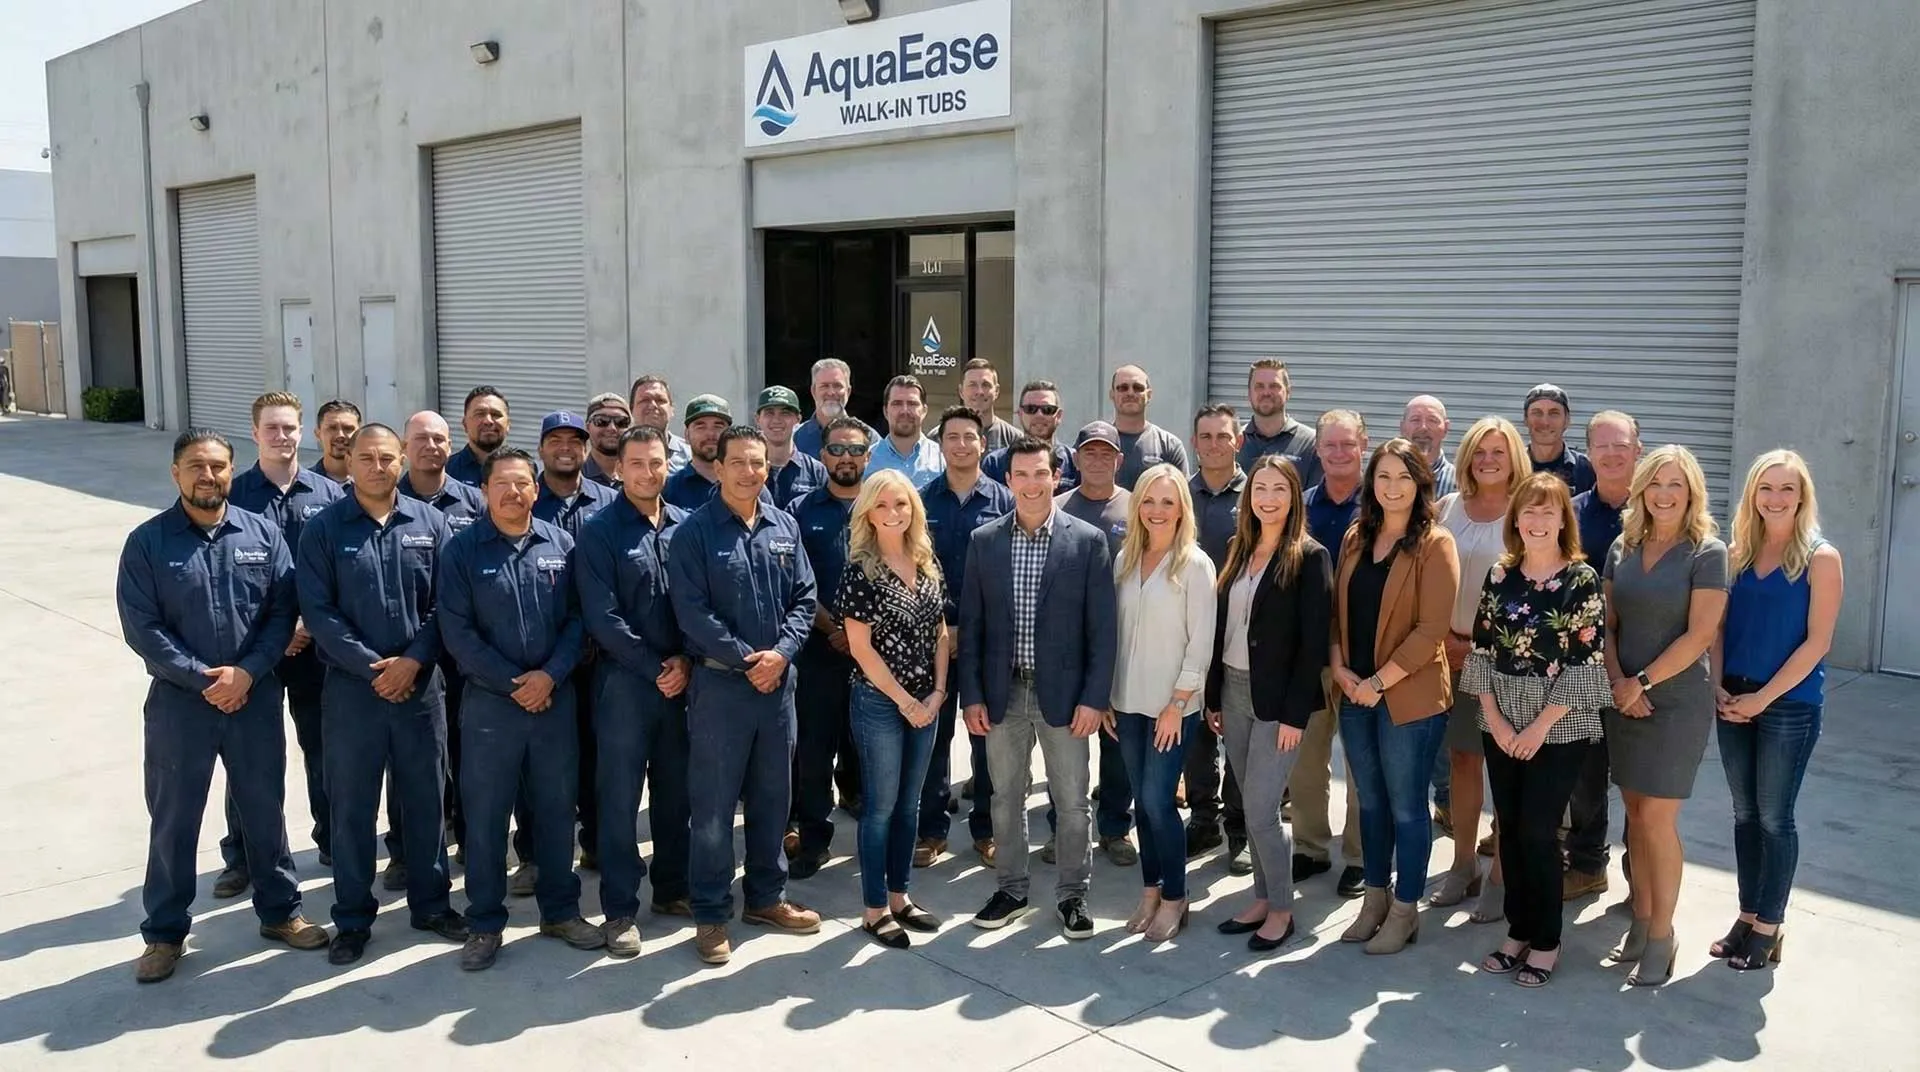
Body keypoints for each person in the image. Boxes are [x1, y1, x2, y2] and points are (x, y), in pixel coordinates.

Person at [117, 429, 330, 982]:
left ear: (232, 471)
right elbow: (142, 627)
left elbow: (281, 613)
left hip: (254, 696)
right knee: (174, 818)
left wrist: (248, 672)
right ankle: (164, 934)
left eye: (217, 466)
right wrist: (203, 678)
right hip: (179, 705)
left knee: (264, 809)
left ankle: (281, 912)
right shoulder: (147, 542)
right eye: (196, 466)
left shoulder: (262, 534)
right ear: (176, 473)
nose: (207, 476)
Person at [297, 424, 469, 965]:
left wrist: (414, 661)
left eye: (387, 458)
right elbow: (319, 612)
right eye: (366, 458)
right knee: (352, 808)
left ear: (402, 462)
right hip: (354, 692)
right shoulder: (323, 530)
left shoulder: (432, 524)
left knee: (425, 801)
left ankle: (432, 904)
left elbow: (448, 604)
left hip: (421, 688)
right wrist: (372, 667)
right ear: (348, 463)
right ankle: (352, 918)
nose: (377, 467)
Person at [438, 447, 603, 971]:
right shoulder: (461, 551)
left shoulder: (562, 544)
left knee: (556, 810)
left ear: (536, 489)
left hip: (553, 701)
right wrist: (515, 683)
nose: (513, 492)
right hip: (492, 706)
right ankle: (485, 922)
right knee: (486, 818)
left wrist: (549, 675)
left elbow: (578, 620)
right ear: (483, 490)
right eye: (501, 484)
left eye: (522, 483)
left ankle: (561, 911)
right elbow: (457, 632)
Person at [668, 426, 822, 965]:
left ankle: (765, 897)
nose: (750, 472)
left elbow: (805, 598)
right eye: (738, 462)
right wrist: (747, 660)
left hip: (777, 687)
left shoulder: (784, 526)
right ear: (718, 466)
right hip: (720, 688)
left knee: (773, 798)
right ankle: (711, 913)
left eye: (758, 463)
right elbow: (691, 612)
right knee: (712, 808)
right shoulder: (693, 533)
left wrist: (781, 654)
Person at [961, 437, 1118, 937]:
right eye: (1022, 475)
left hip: (1066, 699)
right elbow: (972, 626)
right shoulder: (985, 541)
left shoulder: (1087, 541)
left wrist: (1094, 698)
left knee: (1071, 800)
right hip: (1001, 694)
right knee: (1005, 797)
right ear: (1008, 481)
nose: (1032, 484)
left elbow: (1103, 630)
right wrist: (972, 696)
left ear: (1057, 477)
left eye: (1041, 474)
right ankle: (1011, 889)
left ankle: (1073, 895)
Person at [1461, 473, 1611, 988]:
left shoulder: (1581, 580)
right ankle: (1518, 929)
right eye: (1530, 510)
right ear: (1516, 519)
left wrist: (1538, 728)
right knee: (1509, 827)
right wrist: (1496, 719)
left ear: (1564, 519)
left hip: (1559, 724)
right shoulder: (1500, 574)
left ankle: (1546, 940)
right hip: (1500, 720)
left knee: (1538, 832)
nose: (1538, 521)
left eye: (1549, 511)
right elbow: (1482, 648)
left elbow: (1586, 661)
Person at [1600, 444, 1728, 986]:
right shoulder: (1622, 546)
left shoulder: (1708, 552)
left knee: (1657, 818)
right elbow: (1607, 626)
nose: (1665, 493)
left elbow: (1700, 635)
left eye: (1676, 484)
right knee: (1634, 813)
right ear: (1642, 490)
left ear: (1692, 491)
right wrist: (1618, 682)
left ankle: (1662, 935)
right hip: (1622, 696)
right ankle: (1642, 918)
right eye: (1656, 483)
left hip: (1674, 703)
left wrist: (1642, 682)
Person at [1711, 449, 1842, 971]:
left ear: (1803, 496)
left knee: (1774, 816)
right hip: (1733, 696)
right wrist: (1718, 686)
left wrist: (1762, 699)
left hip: (1788, 704)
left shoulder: (1821, 558)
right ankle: (1747, 915)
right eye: (1766, 488)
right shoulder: (1736, 553)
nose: (1776, 498)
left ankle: (1770, 924)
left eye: (1788, 488)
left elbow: (1818, 642)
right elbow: (1719, 627)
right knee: (1744, 814)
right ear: (1753, 495)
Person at [1331, 439, 1459, 955]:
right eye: (1383, 476)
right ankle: (1375, 899)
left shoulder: (1435, 544)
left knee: (1407, 806)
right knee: (1370, 803)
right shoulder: (1356, 536)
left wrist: (1377, 683)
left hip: (1408, 697)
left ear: (1420, 483)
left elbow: (1431, 631)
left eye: (1404, 477)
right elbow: (1337, 610)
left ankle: (1406, 910)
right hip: (1354, 692)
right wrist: (1340, 667)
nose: (1392, 487)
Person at [217, 392, 343, 899]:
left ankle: (334, 840)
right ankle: (243, 856)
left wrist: (307, 623)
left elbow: (338, 569)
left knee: (325, 748)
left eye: (289, 427)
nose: (281, 436)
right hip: (256, 650)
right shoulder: (235, 494)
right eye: (271, 428)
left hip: (317, 647)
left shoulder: (329, 494)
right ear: (255, 434)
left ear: (302, 432)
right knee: (251, 757)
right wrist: (277, 631)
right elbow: (224, 577)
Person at [577, 426, 695, 957]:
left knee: (676, 794)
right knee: (620, 801)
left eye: (657, 462)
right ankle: (620, 909)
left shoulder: (686, 526)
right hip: (625, 684)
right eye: (638, 464)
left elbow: (699, 603)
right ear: (619, 469)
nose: (649, 472)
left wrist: (686, 661)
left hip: (682, 682)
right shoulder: (600, 531)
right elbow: (601, 616)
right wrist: (655, 667)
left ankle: (672, 888)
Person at [1206, 456, 1332, 951]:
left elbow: (1313, 645)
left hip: (1279, 703)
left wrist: (1295, 715)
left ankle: (1282, 909)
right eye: (1260, 488)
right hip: (1234, 692)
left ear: (1294, 496)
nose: (1268, 498)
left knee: (1261, 810)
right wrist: (1214, 696)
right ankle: (1261, 898)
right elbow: (1223, 629)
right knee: (1248, 801)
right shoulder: (1237, 549)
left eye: (1279, 489)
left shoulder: (1310, 556)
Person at [839, 469, 951, 948]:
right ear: (868, 513)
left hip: (927, 703)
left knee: (910, 805)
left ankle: (900, 897)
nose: (892, 513)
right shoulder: (860, 571)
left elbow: (941, 632)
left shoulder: (926, 562)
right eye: (882, 505)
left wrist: (938, 692)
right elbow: (860, 648)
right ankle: (874, 911)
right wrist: (905, 701)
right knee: (880, 808)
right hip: (880, 703)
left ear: (913, 509)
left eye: (901, 504)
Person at [1109, 464, 1218, 941]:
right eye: (1149, 501)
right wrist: (1107, 694)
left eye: (1167, 502)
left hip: (1172, 707)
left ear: (1181, 510)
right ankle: (1150, 891)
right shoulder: (1125, 559)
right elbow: (1116, 633)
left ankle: (1176, 896)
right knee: (1143, 803)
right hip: (1127, 702)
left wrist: (1178, 702)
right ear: (1137, 507)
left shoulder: (1195, 564)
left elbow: (1201, 642)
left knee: (1158, 801)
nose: (1157, 510)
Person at [1430, 416, 1531, 921]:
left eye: (1498, 452)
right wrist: (1443, 640)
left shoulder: (1527, 511)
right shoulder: (1447, 507)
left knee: (1509, 771)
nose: (1488, 460)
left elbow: (1536, 591)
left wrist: (1482, 649)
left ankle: (1503, 875)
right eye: (1480, 451)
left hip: (1505, 663)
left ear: (1514, 458)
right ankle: (1463, 863)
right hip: (1446, 655)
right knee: (1463, 762)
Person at [914, 406, 1013, 868]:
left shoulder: (1004, 501)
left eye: (969, 437)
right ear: (940, 445)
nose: (960, 445)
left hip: (986, 639)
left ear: (982, 444)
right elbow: (912, 568)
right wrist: (941, 627)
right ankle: (931, 830)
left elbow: (1011, 571)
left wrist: (969, 629)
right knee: (933, 737)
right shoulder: (920, 501)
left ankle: (987, 829)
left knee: (986, 738)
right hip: (931, 638)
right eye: (951, 437)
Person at [391, 411, 484, 882]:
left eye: (439, 439)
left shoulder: (473, 501)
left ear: (452, 445)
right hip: (408, 657)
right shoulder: (387, 498)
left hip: (464, 653)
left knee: (468, 753)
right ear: (405, 447)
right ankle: (404, 851)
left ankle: (468, 840)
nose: (431, 446)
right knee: (408, 761)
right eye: (421, 438)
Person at [531, 411, 618, 876]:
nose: (565, 448)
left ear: (586, 448)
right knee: (543, 763)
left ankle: (598, 843)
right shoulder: (525, 499)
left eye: (574, 441)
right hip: (545, 659)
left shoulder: (610, 503)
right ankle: (534, 855)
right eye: (555, 440)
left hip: (603, 656)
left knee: (601, 756)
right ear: (541, 448)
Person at [786, 417, 871, 880]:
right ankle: (814, 840)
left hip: (875, 653)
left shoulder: (884, 505)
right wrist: (834, 627)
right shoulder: (799, 510)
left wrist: (862, 632)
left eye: (855, 450)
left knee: (871, 750)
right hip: (817, 650)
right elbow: (795, 581)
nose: (846, 458)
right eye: (837, 449)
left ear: (868, 456)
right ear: (822, 456)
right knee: (813, 753)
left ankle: (875, 845)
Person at [1563, 410, 1642, 900]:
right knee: (1586, 775)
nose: (1612, 454)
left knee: (1639, 780)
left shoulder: (1660, 508)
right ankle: (1588, 863)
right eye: (1602, 446)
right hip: (1579, 668)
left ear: (1638, 450)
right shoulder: (1570, 513)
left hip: (1642, 666)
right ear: (1588, 453)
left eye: (1622, 445)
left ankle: (1642, 877)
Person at [1055, 421, 1136, 866]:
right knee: (1065, 743)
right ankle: (1064, 830)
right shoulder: (1057, 506)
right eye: (1090, 452)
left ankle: (1115, 827)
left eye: (1107, 453)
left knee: (1117, 743)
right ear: (1076, 458)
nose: (1099, 460)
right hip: (1066, 645)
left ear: (1119, 460)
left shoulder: (1137, 507)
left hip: (1121, 641)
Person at [1296, 410, 1368, 897]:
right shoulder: (1300, 507)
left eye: (1348, 444)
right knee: (1306, 760)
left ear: (1364, 445)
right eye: (1330, 445)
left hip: (1366, 657)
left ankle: (1359, 856)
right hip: (1310, 653)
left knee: (1360, 765)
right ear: (1317, 450)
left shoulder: (1382, 504)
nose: (1339, 453)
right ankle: (1309, 847)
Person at [1184, 405, 1250, 873]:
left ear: (1237, 441)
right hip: (1189, 632)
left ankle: (1239, 828)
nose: (1213, 445)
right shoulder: (1181, 494)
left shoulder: (1256, 493)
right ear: (1194, 442)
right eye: (1205, 437)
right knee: (1196, 734)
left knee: (1240, 734)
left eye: (1222, 436)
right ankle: (1204, 819)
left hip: (1240, 632)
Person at [665, 395, 773, 510]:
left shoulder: (750, 485)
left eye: (718, 426)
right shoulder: (670, 489)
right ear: (687, 434)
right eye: (701, 427)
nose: (710, 434)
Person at [982, 380, 1080, 491]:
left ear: (1059, 416)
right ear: (1020, 414)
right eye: (1030, 409)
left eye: (1047, 410)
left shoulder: (1074, 462)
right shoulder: (995, 463)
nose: (1039, 415)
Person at [1237, 359, 1321, 487]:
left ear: (1288, 392)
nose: (1266, 393)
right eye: (1259, 386)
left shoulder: (1310, 443)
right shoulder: (1234, 443)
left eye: (1274, 386)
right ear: (1249, 393)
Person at [1109, 365, 1191, 490]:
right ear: (1112, 394)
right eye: (1123, 388)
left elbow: (1182, 495)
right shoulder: (1097, 442)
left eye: (1138, 388)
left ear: (1149, 394)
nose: (1130, 393)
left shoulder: (1169, 446)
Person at [866, 374, 945, 485]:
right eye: (897, 404)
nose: (904, 411)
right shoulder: (868, 460)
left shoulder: (943, 457)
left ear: (924, 411)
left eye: (912, 404)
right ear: (885, 411)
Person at [793, 357, 878, 459]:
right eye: (824, 386)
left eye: (837, 386)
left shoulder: (870, 438)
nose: (831, 392)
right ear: (813, 391)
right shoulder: (794, 438)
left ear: (848, 391)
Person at [757, 386, 829, 505]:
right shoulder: (748, 469)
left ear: (798, 419)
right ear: (757, 419)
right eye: (769, 413)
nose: (776, 420)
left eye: (785, 413)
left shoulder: (815, 471)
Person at [1522, 384, 1595, 496]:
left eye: (1554, 413)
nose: (1545, 422)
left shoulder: (1586, 469)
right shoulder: (1512, 466)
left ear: (1567, 420)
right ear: (1525, 419)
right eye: (1537, 413)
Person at [446, 386, 513, 487]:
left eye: (496, 414)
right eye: (480, 414)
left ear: (508, 424)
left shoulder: (526, 471)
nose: (488, 421)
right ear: (465, 424)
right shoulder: (446, 472)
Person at [629, 375, 694, 474]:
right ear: (631, 410)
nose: (653, 405)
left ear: (671, 409)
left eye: (660, 400)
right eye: (645, 400)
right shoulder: (619, 454)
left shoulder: (690, 455)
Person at [960, 358, 1023, 451]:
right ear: (961, 391)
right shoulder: (941, 437)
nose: (979, 392)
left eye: (985, 385)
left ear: (996, 391)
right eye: (972, 385)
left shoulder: (1014, 438)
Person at [1400, 396, 1456, 498]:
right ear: (1402, 427)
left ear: (1446, 428)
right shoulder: (1382, 480)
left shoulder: (1461, 483)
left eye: (1432, 420)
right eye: (1415, 420)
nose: (1423, 427)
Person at [581, 392, 632, 486]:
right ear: (588, 427)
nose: (612, 428)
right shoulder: (574, 477)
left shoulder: (640, 475)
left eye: (621, 422)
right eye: (602, 421)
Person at [314, 399, 363, 485]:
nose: (340, 435)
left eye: (348, 428)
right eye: (332, 428)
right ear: (318, 434)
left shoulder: (374, 483)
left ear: (360, 434)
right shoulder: (302, 485)